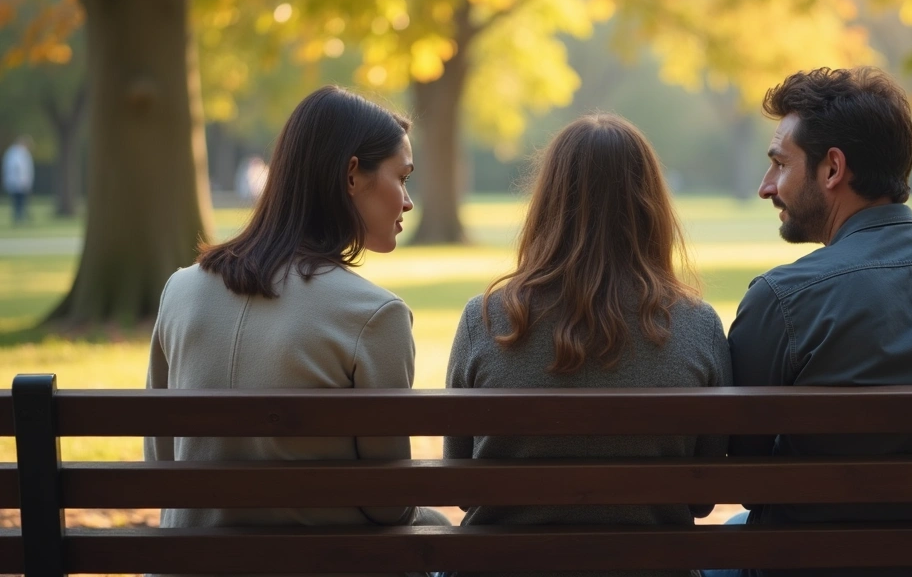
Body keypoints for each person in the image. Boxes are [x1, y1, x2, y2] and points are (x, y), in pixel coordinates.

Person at [720, 68, 912, 577]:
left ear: (832, 170)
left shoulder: (781, 299)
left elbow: (744, 474)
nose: (766, 187)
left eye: (780, 164)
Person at [145, 86, 449, 558]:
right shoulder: (375, 316)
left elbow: (162, 465)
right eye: (402, 177)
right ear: (352, 175)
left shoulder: (180, 290)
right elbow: (389, 506)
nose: (407, 201)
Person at [444, 113, 732, 577]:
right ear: (650, 205)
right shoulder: (698, 325)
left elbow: (464, 488)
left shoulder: (485, 319)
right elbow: (700, 499)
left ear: (547, 202)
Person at [3, 135, 34, 224]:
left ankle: (20, 217)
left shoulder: (16, 152)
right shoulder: (17, 153)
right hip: (18, 182)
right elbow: (18, 168)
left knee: (20, 202)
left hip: (18, 182)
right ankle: (19, 218)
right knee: (18, 201)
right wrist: (23, 181)